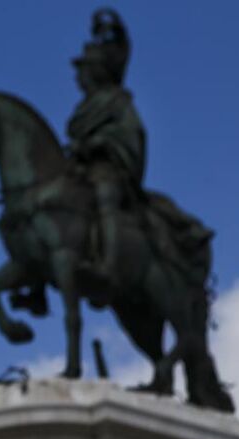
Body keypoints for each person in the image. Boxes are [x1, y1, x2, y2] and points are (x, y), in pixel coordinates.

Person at [65, 9, 146, 292]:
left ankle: (108, 267)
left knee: (104, 193)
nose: (78, 78)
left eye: (82, 71)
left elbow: (132, 132)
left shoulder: (117, 101)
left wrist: (102, 143)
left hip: (110, 168)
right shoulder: (83, 110)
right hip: (81, 168)